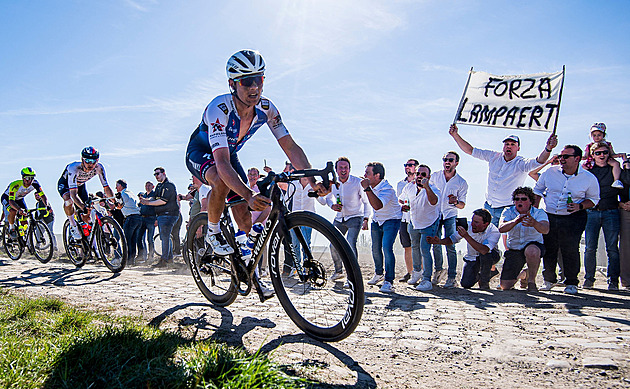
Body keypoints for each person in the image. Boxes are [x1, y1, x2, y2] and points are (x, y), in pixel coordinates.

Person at [185, 49, 328, 297]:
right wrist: (249, 194)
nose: (254, 87)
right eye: (247, 81)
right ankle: (213, 230)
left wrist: (311, 181)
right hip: (202, 152)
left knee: (245, 221)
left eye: (259, 79)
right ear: (232, 84)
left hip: (229, 155)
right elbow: (221, 164)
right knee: (221, 181)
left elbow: (290, 147)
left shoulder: (266, 108)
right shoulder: (219, 108)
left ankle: (249, 271)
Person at [448, 124, 557, 226]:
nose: (509, 146)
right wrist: (455, 135)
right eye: (507, 144)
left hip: (508, 209)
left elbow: (539, 160)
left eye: (513, 144)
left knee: (509, 240)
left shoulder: (522, 163)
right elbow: (470, 150)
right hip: (489, 206)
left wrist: (548, 148)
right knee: (486, 238)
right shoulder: (493, 156)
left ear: (518, 148)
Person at [533, 145, 600, 295]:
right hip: (549, 215)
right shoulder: (550, 172)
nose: (561, 159)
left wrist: (579, 206)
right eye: (560, 156)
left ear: (577, 159)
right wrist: (536, 209)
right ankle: (548, 280)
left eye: (566, 157)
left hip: (574, 217)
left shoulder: (589, 178)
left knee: (570, 249)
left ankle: (571, 283)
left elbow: (594, 199)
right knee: (549, 248)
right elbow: (537, 190)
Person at [582, 142, 627, 290]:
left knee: (612, 248)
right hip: (592, 212)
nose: (602, 155)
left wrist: (622, 203)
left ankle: (613, 281)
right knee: (590, 248)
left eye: (605, 153)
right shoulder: (588, 170)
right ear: (593, 155)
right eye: (598, 153)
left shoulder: (615, 169)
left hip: (611, 211)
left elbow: (623, 187)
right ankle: (589, 279)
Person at [322, 157, 370, 282]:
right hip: (339, 218)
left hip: (355, 217)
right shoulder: (333, 183)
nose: (343, 170)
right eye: (341, 168)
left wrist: (366, 218)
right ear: (336, 170)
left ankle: (353, 276)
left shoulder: (357, 182)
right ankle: (338, 272)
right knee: (333, 245)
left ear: (349, 169)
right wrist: (332, 205)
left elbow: (366, 201)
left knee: (350, 244)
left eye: (346, 168)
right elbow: (327, 197)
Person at [427, 209, 500, 289]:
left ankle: (484, 282)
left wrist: (466, 236)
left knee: (485, 255)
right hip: (472, 258)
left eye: (476, 222)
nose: (472, 224)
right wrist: (439, 241)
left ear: (486, 224)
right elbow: (453, 239)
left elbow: (484, 250)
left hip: (491, 256)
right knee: (466, 284)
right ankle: (488, 273)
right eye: (472, 221)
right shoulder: (467, 226)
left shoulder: (494, 231)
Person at [361, 162, 402, 293]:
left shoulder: (387, 189)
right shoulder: (370, 185)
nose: (365, 175)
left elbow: (378, 205)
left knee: (387, 248)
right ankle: (379, 274)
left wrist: (367, 189)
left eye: (368, 173)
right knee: (375, 248)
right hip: (377, 220)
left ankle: (389, 281)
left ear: (377, 175)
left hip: (392, 220)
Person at [498, 187, 549, 292]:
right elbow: (501, 228)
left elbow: (545, 229)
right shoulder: (508, 211)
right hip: (515, 249)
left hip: (533, 245)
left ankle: (531, 282)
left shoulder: (539, 213)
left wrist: (534, 223)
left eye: (523, 199)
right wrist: (515, 221)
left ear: (530, 201)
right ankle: (524, 275)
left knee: (532, 251)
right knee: (505, 286)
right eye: (517, 199)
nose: (520, 202)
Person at [430, 151, 468, 288]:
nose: (447, 162)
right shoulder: (434, 176)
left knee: (451, 245)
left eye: (450, 160)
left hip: (450, 215)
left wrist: (456, 201)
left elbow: (462, 205)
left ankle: (452, 277)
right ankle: (438, 271)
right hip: (435, 214)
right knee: (435, 244)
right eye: (445, 159)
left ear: (456, 163)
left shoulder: (461, 182)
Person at [399, 165, 440, 291]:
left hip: (429, 223)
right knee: (414, 247)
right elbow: (401, 198)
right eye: (418, 174)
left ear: (428, 176)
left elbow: (434, 201)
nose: (420, 177)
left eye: (423, 174)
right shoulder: (409, 186)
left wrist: (426, 187)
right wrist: (404, 205)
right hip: (414, 221)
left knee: (425, 250)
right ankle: (416, 272)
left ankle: (427, 279)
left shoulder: (434, 189)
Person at [58, 147, 113, 240]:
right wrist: (82, 207)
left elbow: (106, 187)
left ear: (97, 160)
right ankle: (73, 225)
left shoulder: (99, 168)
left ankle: (88, 238)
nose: (90, 164)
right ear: (82, 160)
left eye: (93, 161)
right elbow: (73, 195)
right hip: (66, 185)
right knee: (69, 200)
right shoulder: (74, 168)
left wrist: (114, 201)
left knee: (88, 212)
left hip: (81, 186)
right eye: (87, 160)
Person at [138, 167, 178, 267]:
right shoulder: (159, 186)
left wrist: (147, 203)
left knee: (164, 237)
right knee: (165, 237)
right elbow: (154, 197)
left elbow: (163, 201)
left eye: (158, 174)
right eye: (155, 174)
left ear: (164, 173)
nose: (156, 176)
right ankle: (168, 260)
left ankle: (164, 260)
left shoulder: (169, 185)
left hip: (169, 214)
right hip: (162, 215)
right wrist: (145, 199)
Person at [2, 167, 48, 238]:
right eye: (27, 178)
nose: (29, 181)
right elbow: (11, 201)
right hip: (7, 198)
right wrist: (19, 209)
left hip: (19, 199)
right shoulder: (15, 185)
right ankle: (11, 228)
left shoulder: (35, 184)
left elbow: (43, 196)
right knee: (13, 211)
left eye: (31, 178)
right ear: (23, 178)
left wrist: (47, 206)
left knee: (25, 216)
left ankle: (23, 235)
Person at [396, 159, 418, 283]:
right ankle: (410, 273)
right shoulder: (400, 184)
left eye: (410, 165)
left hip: (417, 219)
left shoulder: (420, 182)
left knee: (418, 246)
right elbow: (399, 200)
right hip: (404, 218)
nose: (407, 167)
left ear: (416, 167)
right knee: (407, 246)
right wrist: (401, 206)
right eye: (406, 165)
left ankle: (420, 272)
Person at [582, 123, 623, 189]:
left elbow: (612, 154)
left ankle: (616, 181)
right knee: (583, 169)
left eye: (599, 135)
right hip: (591, 162)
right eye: (594, 135)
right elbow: (585, 156)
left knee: (616, 164)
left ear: (603, 135)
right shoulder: (589, 145)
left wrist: (619, 155)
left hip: (607, 160)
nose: (596, 137)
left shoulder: (607, 144)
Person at [115, 179, 142, 265]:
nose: (116, 188)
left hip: (130, 218)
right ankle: (131, 260)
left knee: (127, 240)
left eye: (117, 185)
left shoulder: (122, 194)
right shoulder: (130, 193)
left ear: (120, 186)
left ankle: (127, 260)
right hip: (138, 217)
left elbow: (119, 206)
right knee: (133, 240)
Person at [137, 181, 156, 261]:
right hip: (142, 219)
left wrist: (156, 219)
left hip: (151, 218)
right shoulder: (144, 195)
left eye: (149, 185)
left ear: (153, 186)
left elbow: (153, 202)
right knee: (139, 237)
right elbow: (139, 206)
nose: (147, 187)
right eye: (146, 185)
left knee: (150, 239)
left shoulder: (154, 195)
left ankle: (151, 256)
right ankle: (142, 255)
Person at [619, 154, 630, 289]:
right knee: (626, 248)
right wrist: (620, 205)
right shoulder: (621, 174)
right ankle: (627, 281)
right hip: (625, 210)